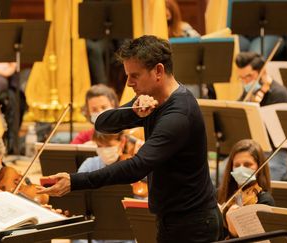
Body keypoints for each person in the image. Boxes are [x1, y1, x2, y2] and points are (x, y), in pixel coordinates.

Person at [38, 35, 223, 242]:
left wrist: (75, 181)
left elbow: (137, 166)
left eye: (134, 75)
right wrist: (135, 112)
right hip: (172, 219)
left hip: (193, 224)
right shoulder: (151, 99)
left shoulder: (179, 115)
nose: (128, 83)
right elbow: (102, 123)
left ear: (158, 71)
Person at [234, 52, 287, 181]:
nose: (246, 82)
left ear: (262, 72)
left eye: (249, 76)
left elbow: (280, 136)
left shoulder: (279, 94)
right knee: (219, 176)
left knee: (258, 181)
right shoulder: (250, 91)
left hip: (274, 154)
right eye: (241, 78)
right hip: (249, 151)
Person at [218, 139, 274, 237]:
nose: (241, 169)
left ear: (259, 167)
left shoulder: (265, 201)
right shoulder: (220, 194)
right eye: (236, 165)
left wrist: (233, 232)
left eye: (247, 165)